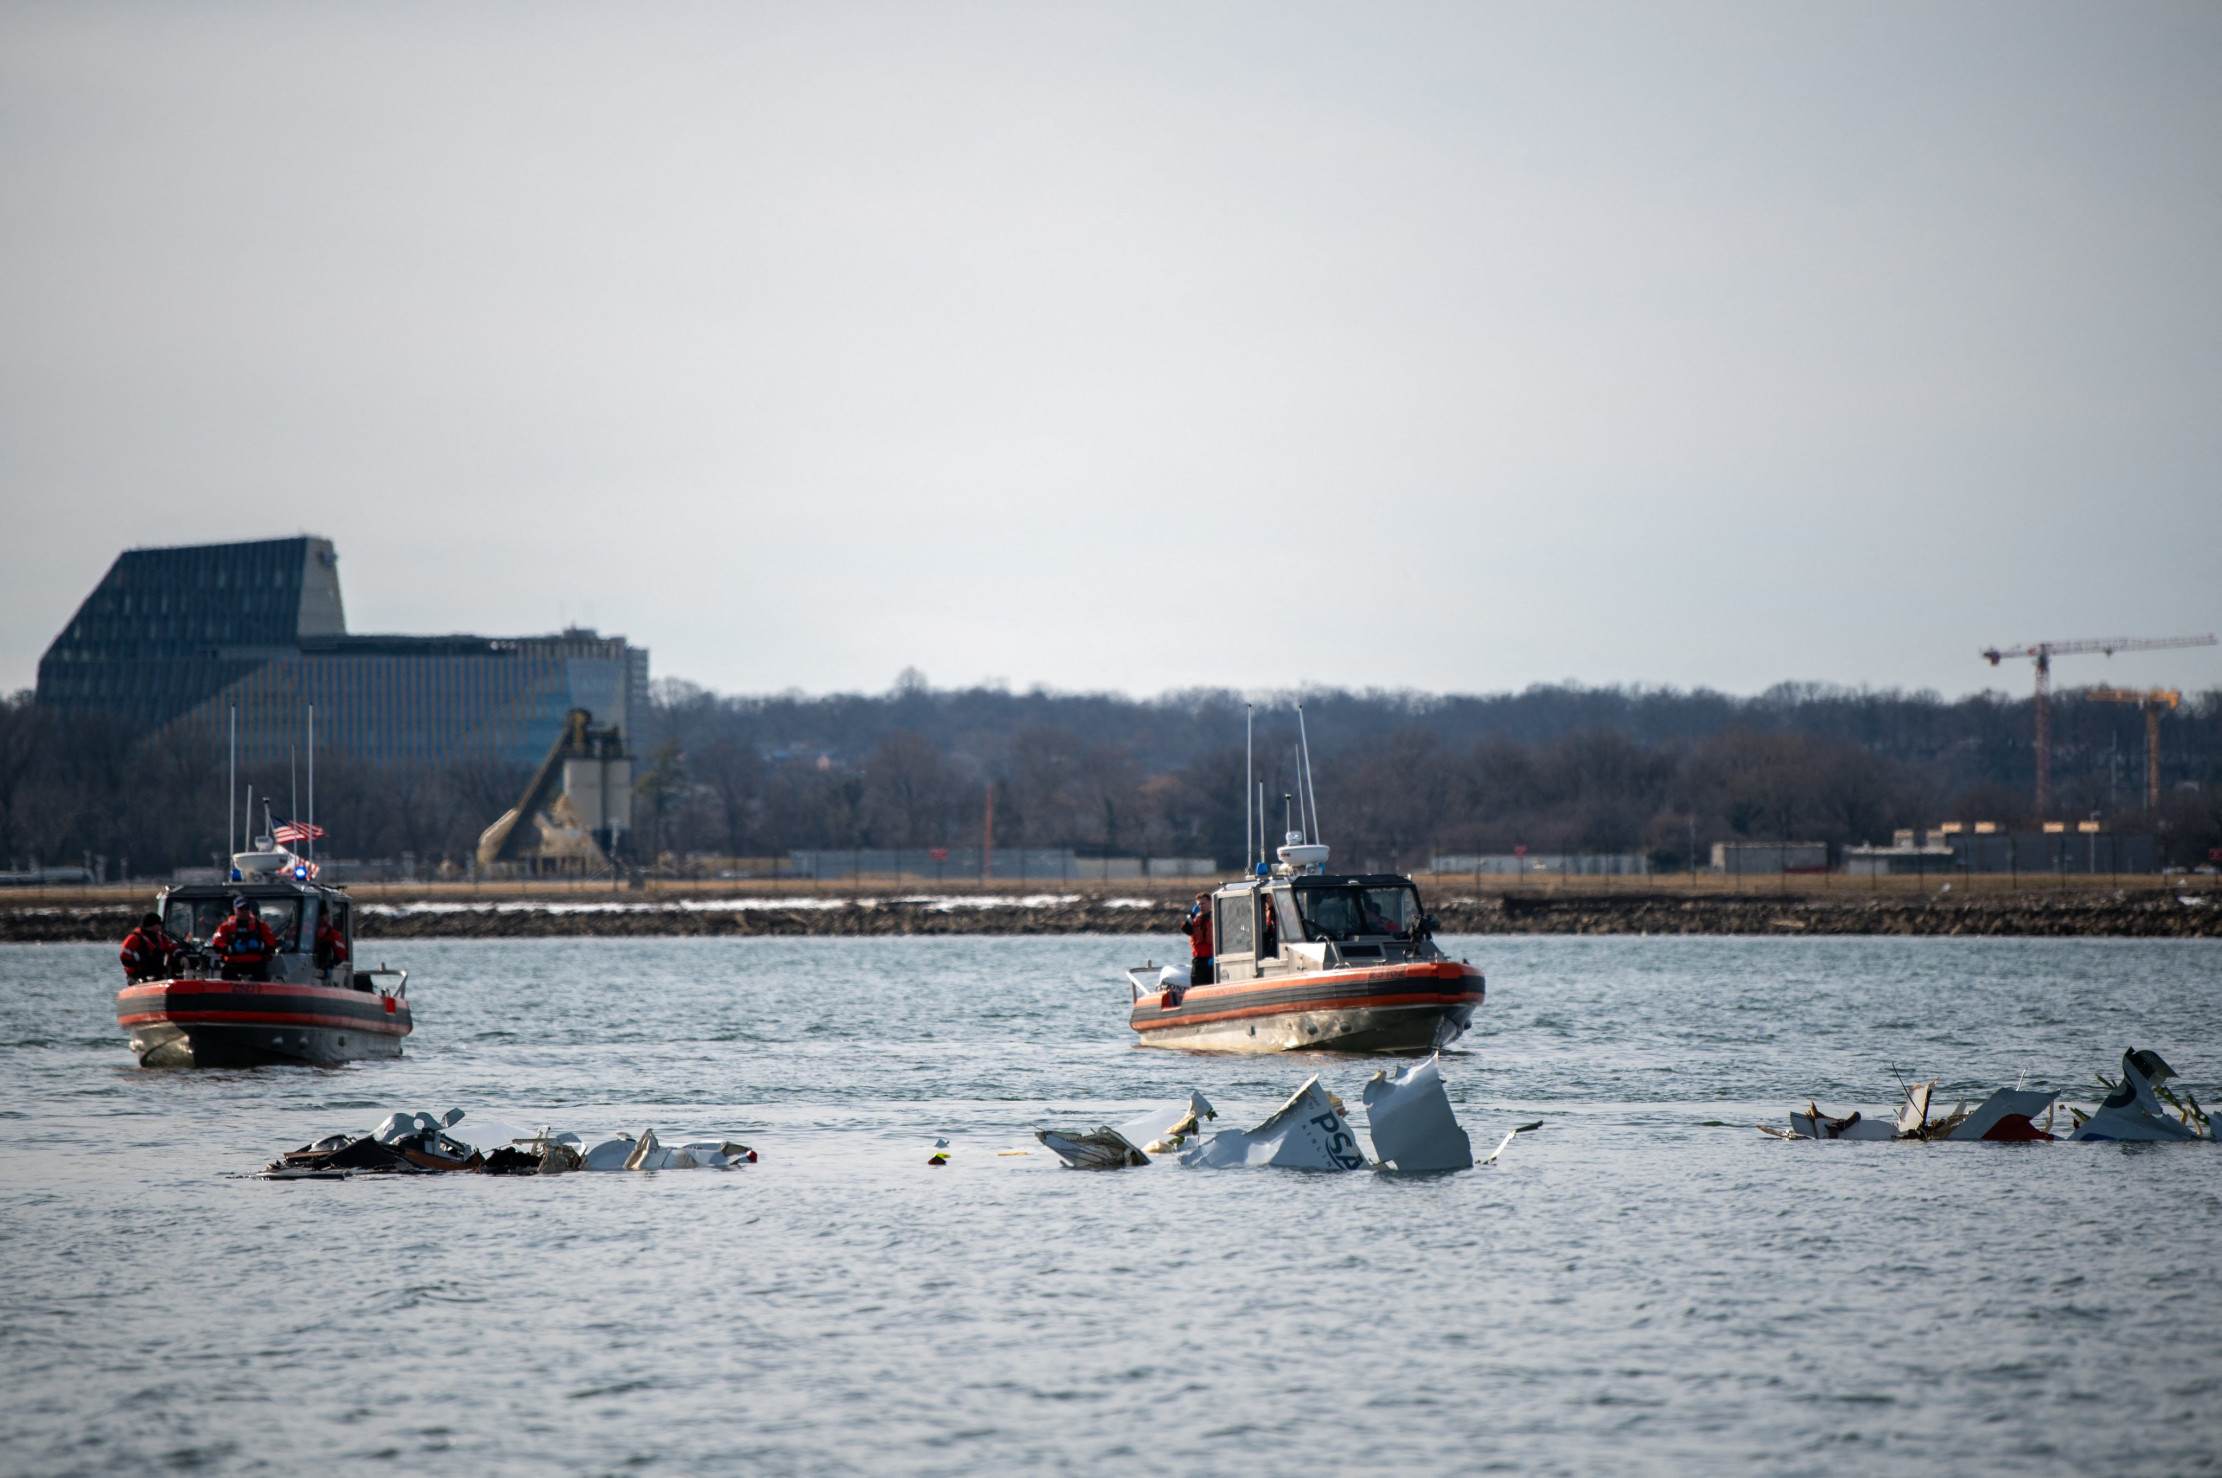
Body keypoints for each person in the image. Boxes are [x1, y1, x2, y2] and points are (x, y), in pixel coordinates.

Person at [210, 896, 279, 981]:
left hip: (255, 964)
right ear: (235, 909)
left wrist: (261, 945)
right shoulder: (226, 926)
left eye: (246, 908)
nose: (244, 911)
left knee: (262, 974)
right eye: (240, 909)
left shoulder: (260, 925)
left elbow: (271, 942)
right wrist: (231, 948)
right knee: (227, 973)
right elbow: (217, 943)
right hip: (233, 964)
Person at [118, 912, 178, 983]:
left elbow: (172, 947)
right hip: (138, 976)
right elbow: (124, 956)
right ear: (153, 925)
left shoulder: (161, 938)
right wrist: (138, 968)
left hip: (157, 976)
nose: (160, 926)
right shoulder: (135, 938)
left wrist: (181, 955)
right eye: (159, 924)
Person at [1182, 891, 1214, 987]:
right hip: (1198, 961)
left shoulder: (1216, 917)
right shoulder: (1195, 920)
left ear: (1210, 903)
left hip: (1212, 959)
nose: (1201, 906)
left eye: (1203, 903)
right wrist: (1192, 915)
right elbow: (1186, 929)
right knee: (1197, 985)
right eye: (1199, 904)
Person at [314, 910, 350, 979]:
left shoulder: (333, 934)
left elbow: (341, 954)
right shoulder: (305, 931)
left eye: (326, 915)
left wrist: (331, 965)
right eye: (324, 915)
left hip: (323, 971)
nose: (327, 917)